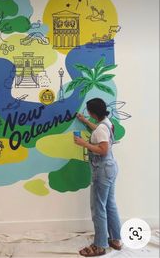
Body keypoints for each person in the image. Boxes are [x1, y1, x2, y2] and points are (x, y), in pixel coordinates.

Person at [74, 98, 122, 257]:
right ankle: (115, 239)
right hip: (110, 168)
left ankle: (100, 245)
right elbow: (99, 131)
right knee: (109, 204)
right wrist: (85, 121)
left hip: (101, 169)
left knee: (98, 208)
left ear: (92, 112)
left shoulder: (101, 129)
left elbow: (103, 149)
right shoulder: (106, 123)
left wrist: (83, 144)